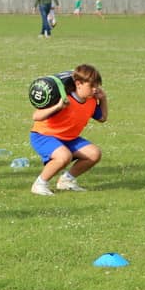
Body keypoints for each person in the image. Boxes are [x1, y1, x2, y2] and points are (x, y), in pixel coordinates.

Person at [29, 64, 108, 196]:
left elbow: (103, 118)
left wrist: (103, 99)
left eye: (97, 86)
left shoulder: (91, 100)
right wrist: (58, 107)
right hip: (43, 136)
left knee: (94, 154)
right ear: (78, 84)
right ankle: (39, 184)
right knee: (64, 156)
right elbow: (36, 116)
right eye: (91, 86)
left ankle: (66, 181)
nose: (95, 90)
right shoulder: (63, 98)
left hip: (68, 138)